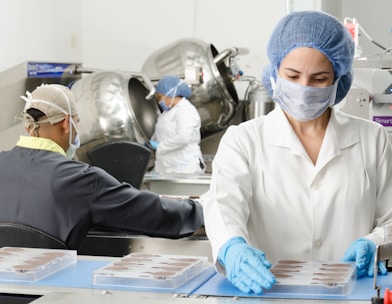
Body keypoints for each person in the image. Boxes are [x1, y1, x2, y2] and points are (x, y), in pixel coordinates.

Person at [202, 10, 392, 294]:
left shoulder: (372, 137)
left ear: (338, 79)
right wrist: (231, 247)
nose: (304, 88)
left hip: (349, 295)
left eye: (319, 79)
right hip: (267, 294)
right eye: (292, 75)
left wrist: (375, 243)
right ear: (275, 72)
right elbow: (222, 206)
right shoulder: (243, 140)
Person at [0, 84, 204, 250]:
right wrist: (200, 209)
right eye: (76, 123)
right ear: (66, 123)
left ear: (28, 126)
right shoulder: (79, 179)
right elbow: (150, 212)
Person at [149, 75, 205, 174]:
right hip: (167, 167)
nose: (159, 101)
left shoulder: (186, 110)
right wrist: (151, 142)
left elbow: (184, 137)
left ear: (170, 93)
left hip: (185, 167)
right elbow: (162, 133)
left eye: (160, 97)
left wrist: (160, 146)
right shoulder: (167, 113)